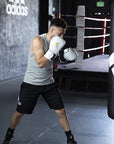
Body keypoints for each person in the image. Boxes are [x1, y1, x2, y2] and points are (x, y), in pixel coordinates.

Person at [2, 18, 78, 144]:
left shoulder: (55, 42)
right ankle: (9, 134)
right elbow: (41, 63)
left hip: (48, 83)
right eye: (60, 34)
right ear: (52, 30)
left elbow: (54, 60)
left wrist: (65, 58)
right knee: (20, 113)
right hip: (31, 84)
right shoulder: (38, 40)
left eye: (63, 34)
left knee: (61, 111)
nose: (61, 36)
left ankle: (70, 139)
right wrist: (52, 51)